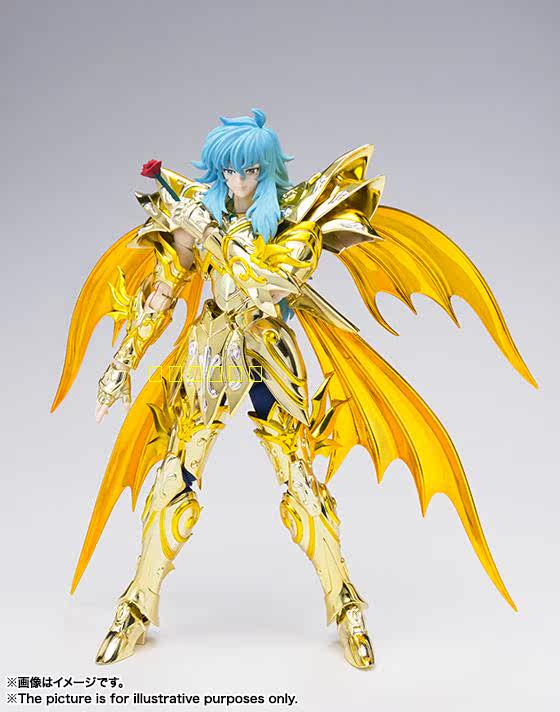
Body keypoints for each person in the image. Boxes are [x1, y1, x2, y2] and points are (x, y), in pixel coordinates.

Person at [52, 108, 536, 670]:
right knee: (171, 481)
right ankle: (136, 604)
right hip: (210, 356)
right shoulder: (194, 215)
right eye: (228, 170)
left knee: (303, 487)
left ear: (266, 169)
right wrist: (122, 360)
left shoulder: (293, 221)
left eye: (250, 170)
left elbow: (266, 284)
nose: (238, 180)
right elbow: (162, 293)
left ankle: (346, 605)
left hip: (269, 359)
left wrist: (212, 235)